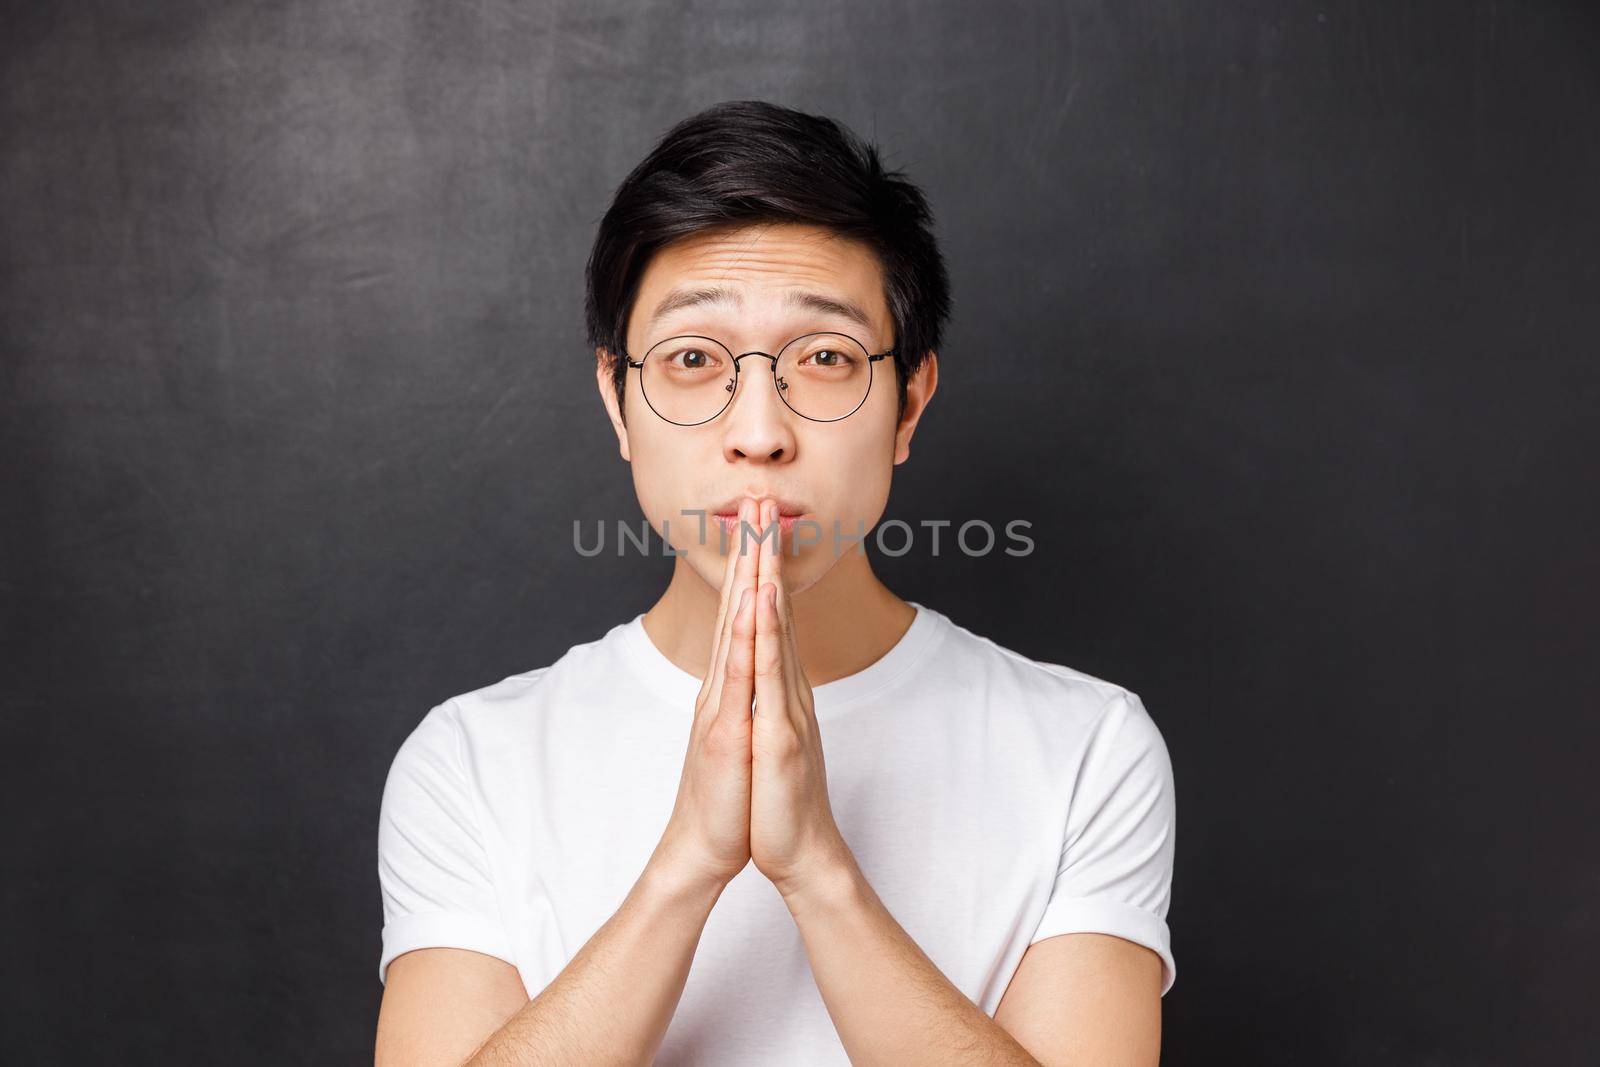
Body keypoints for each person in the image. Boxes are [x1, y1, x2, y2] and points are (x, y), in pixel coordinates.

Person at [373, 100, 1176, 1067]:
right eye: (693, 360)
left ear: (910, 402)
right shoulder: (472, 760)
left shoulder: (1087, 746)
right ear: (617, 401)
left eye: (827, 358)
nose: (759, 432)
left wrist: (814, 867)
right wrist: (690, 864)